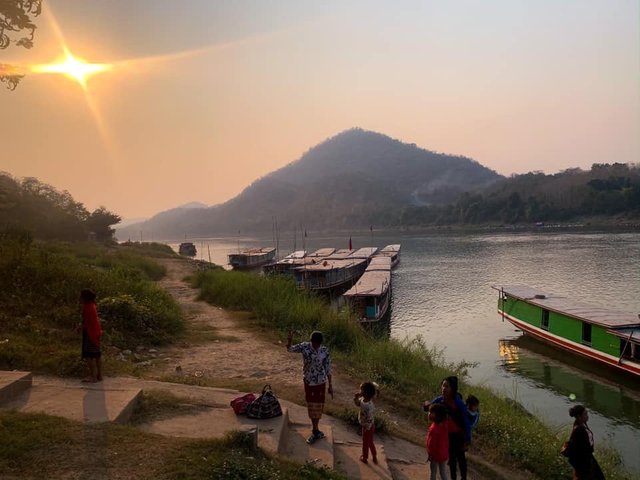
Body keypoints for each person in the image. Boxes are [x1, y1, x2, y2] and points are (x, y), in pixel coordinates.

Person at [287, 329, 333, 444]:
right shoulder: (305, 347)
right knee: (311, 405)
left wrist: (330, 385)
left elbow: (328, 368)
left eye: (318, 344)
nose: (316, 346)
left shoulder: (324, 351)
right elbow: (290, 349)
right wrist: (289, 341)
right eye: (314, 343)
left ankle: (315, 429)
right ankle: (315, 429)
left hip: (321, 381)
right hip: (309, 381)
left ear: (320, 343)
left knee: (319, 405)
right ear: (311, 341)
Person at [423, 376, 471, 480]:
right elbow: (430, 407)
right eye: (443, 385)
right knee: (451, 460)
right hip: (446, 435)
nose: (444, 388)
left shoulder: (458, 403)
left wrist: (467, 439)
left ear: (453, 389)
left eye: (447, 386)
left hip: (458, 436)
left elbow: (466, 422)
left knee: (461, 458)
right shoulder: (440, 400)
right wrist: (426, 405)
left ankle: (463, 478)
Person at [567, 405, 605, 480]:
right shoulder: (578, 430)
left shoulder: (582, 425)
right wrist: (579, 467)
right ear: (579, 416)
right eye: (585, 414)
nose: (587, 416)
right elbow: (573, 449)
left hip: (588, 458)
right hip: (583, 462)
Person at [79, 288, 103, 383]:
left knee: (89, 355)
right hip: (96, 332)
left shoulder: (87, 307)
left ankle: (93, 376)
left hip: (90, 333)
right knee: (97, 354)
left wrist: (81, 327)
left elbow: (88, 322)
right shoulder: (93, 305)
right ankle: (99, 375)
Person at [353, 381, 378, 464]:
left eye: (361, 390)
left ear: (365, 393)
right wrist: (356, 398)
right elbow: (357, 404)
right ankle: (374, 456)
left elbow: (369, 418)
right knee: (370, 441)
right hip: (369, 426)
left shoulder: (368, 406)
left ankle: (365, 457)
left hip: (368, 426)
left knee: (365, 442)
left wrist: (367, 428)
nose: (360, 391)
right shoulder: (363, 400)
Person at [427, 403, 450, 480]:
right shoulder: (445, 425)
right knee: (443, 472)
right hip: (444, 454)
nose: (429, 414)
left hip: (435, 455)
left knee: (433, 472)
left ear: (437, 416)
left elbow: (431, 444)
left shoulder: (434, 429)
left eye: (431, 413)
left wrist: (430, 454)